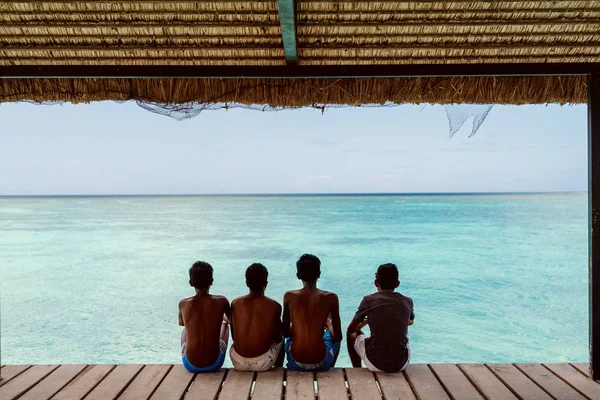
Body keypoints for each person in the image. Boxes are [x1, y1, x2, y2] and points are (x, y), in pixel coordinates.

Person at [347, 263, 414, 373]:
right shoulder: (407, 301)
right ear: (397, 284)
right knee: (404, 336)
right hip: (400, 365)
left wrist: (367, 321)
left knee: (351, 334)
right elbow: (410, 322)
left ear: (376, 283)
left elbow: (351, 330)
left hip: (375, 364)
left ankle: (357, 369)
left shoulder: (369, 300)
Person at [282, 254, 342, 372]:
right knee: (331, 335)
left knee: (290, 336)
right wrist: (328, 322)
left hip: (296, 363)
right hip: (321, 362)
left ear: (298, 275)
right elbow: (338, 337)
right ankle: (330, 366)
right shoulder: (331, 298)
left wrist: (297, 324)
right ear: (319, 274)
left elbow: (285, 333)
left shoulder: (289, 296)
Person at [229, 263, 284, 371]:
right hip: (263, 363)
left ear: (246, 283)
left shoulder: (235, 303)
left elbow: (234, 336)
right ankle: (278, 368)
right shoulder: (275, 306)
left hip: (238, 361)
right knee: (281, 337)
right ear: (266, 283)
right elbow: (277, 336)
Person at [179, 261, 230, 373]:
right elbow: (231, 320)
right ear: (211, 281)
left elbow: (182, 323)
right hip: (214, 364)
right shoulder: (221, 301)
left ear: (190, 283)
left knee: (185, 329)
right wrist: (220, 318)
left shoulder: (183, 303)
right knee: (225, 326)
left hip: (190, 365)